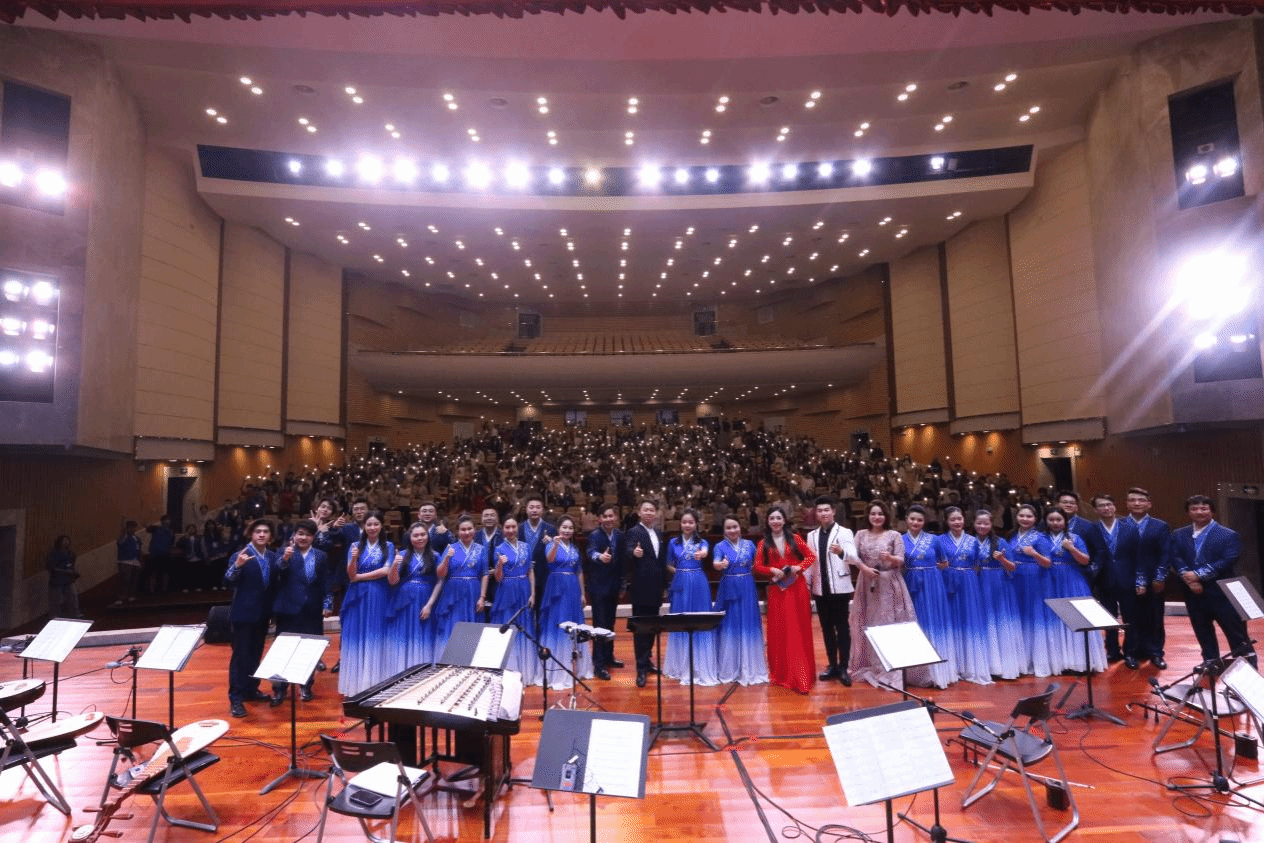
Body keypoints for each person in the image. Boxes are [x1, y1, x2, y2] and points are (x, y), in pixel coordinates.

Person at [1166, 495, 1256, 667]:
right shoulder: (1178, 534)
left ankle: (1247, 667)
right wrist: (1191, 580)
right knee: (1203, 632)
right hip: (1193, 593)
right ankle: (1211, 664)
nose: (1199, 512)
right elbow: (1175, 558)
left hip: (1223, 593)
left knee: (1237, 634)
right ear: (1188, 512)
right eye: (1194, 509)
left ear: (1212, 511)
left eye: (1204, 508)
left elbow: (1228, 559)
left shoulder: (1228, 534)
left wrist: (1198, 575)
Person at [849, 500, 915, 688]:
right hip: (866, 582)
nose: (876, 517)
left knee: (887, 623)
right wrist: (864, 568)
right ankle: (870, 663)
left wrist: (890, 558)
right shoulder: (860, 534)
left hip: (888, 583)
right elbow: (852, 557)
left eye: (880, 514)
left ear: (886, 516)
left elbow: (900, 560)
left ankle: (890, 665)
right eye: (873, 514)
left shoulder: (894, 535)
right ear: (868, 516)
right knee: (866, 621)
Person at [753, 506, 816, 694]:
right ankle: (783, 674)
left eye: (778, 518)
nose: (775, 521)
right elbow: (757, 566)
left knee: (798, 629)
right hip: (777, 591)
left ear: (784, 520)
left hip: (797, 588)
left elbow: (811, 556)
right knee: (781, 630)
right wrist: (771, 570)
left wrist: (799, 567)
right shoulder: (763, 543)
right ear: (767, 521)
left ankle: (802, 676)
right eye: (772, 518)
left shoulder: (795, 538)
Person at [270, 519, 333, 703]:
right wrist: (285, 559)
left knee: (309, 649)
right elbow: (276, 571)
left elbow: (326, 581)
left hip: (312, 609)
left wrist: (328, 603)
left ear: (313, 537)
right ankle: (280, 688)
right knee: (283, 650)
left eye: (308, 534)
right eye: (300, 534)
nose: (303, 538)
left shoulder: (321, 555)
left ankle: (306, 685)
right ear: (294, 535)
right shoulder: (284, 551)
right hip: (288, 609)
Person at [1042, 507, 1106, 674]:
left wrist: (1071, 548)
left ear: (1065, 521)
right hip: (1048, 580)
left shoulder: (1075, 538)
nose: (1055, 523)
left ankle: (1079, 662)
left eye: (1059, 519)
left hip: (1072, 580)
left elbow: (1085, 561)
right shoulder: (1041, 538)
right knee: (1053, 619)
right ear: (1046, 521)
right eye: (1051, 520)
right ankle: (1057, 663)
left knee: (1076, 618)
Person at [224, 519, 277, 718]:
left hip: (263, 614)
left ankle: (251, 689)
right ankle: (236, 698)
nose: (262, 534)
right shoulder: (241, 555)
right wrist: (237, 566)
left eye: (265, 531)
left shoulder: (272, 557)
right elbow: (227, 581)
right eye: (258, 531)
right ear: (251, 534)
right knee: (241, 657)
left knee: (255, 654)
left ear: (270, 536)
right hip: (243, 614)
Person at [338, 511, 394, 697]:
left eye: (376, 524)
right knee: (357, 634)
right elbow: (350, 574)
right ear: (364, 526)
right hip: (357, 595)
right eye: (369, 524)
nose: (372, 528)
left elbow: (387, 570)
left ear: (381, 526)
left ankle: (375, 682)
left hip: (379, 594)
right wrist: (354, 559)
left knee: (375, 634)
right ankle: (355, 684)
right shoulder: (355, 546)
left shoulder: (388, 545)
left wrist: (359, 577)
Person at [935, 507, 991, 685]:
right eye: (952, 519)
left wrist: (968, 578)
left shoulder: (973, 541)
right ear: (946, 522)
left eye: (959, 519)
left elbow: (977, 565)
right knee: (951, 621)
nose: (957, 522)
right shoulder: (939, 540)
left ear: (964, 520)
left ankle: (970, 666)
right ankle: (952, 667)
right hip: (947, 581)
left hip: (969, 582)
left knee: (969, 620)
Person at [901, 505, 956, 688]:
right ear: (906, 520)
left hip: (933, 584)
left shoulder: (934, 539)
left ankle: (938, 673)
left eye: (919, 520)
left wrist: (930, 572)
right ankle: (917, 673)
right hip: (911, 582)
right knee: (916, 622)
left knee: (934, 621)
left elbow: (944, 562)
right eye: (912, 519)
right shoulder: (900, 539)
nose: (915, 522)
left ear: (924, 522)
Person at [806, 496, 858, 686]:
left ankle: (844, 667)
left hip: (840, 587)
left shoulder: (844, 532)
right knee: (826, 628)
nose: (824, 513)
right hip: (821, 588)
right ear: (816, 513)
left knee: (842, 628)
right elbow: (810, 562)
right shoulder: (811, 536)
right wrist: (807, 584)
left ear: (833, 511)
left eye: (827, 510)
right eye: (820, 510)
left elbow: (853, 557)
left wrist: (842, 552)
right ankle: (832, 665)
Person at [663, 510, 719, 685]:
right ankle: (680, 666)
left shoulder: (702, 542)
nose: (687, 525)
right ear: (680, 524)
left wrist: (702, 554)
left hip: (698, 582)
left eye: (691, 522)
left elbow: (705, 552)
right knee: (680, 620)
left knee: (698, 619)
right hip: (680, 582)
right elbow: (667, 564)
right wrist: (680, 571)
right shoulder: (673, 542)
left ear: (696, 524)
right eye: (684, 522)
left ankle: (700, 665)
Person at [712, 515, 768, 685]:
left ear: (740, 527)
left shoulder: (750, 545)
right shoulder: (719, 546)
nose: (732, 530)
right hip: (728, 586)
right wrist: (719, 565)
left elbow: (757, 565)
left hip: (747, 587)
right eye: (728, 528)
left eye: (735, 526)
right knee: (730, 623)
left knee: (748, 622)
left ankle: (750, 667)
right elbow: (715, 563)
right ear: (724, 530)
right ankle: (730, 667)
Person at [538, 516, 592, 689]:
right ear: (558, 528)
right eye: (564, 527)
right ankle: (557, 669)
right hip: (556, 585)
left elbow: (579, 571)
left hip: (573, 588)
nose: (567, 530)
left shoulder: (575, 548)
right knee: (558, 622)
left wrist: (582, 594)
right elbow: (549, 560)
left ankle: (576, 667)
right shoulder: (550, 544)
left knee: (573, 623)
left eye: (570, 528)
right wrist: (555, 544)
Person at [387, 522, 444, 674]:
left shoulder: (435, 556)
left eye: (423, 534)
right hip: (405, 601)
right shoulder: (402, 555)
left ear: (428, 536)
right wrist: (394, 565)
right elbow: (392, 581)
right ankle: (403, 670)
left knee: (424, 635)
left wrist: (429, 605)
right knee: (406, 634)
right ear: (410, 538)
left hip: (426, 599)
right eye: (416, 535)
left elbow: (440, 581)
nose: (420, 538)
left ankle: (424, 672)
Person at [973, 509, 1023, 680]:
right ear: (973, 524)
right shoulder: (970, 542)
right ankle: (984, 665)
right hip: (977, 583)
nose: (982, 526)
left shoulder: (1000, 541)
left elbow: (1013, 567)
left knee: (999, 621)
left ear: (991, 524)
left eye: (986, 523)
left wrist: (1001, 559)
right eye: (979, 523)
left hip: (998, 584)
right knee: (982, 621)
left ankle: (1003, 665)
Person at [1092, 494, 1141, 667]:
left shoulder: (1130, 528)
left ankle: (1131, 653)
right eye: (1101, 505)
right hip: (1104, 579)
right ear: (1095, 509)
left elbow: (1138, 556)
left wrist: (1140, 580)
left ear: (1114, 506)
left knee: (1130, 617)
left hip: (1127, 579)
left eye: (1109, 504)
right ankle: (1112, 650)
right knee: (1108, 617)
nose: (1106, 508)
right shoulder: (1092, 529)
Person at [1008, 503, 1056, 678]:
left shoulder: (1041, 538)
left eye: (1029, 516)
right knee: (1020, 616)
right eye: (1021, 515)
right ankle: (1020, 660)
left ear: (1035, 519)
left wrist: (1034, 554)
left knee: (1034, 616)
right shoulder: (1013, 535)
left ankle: (1037, 660)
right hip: (1016, 578)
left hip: (1035, 578)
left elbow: (1048, 563)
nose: (1025, 519)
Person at [490, 517, 539, 685]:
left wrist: (533, 593)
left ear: (517, 528)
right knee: (508, 625)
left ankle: (526, 670)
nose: (510, 530)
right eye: (507, 527)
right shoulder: (499, 548)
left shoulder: (526, 546)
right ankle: (507, 671)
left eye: (513, 526)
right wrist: (499, 565)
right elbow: (498, 578)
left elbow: (530, 571)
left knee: (524, 626)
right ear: (502, 529)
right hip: (506, 589)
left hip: (524, 589)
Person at [624, 499, 668, 687]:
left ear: (655, 513)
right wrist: (633, 552)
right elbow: (627, 549)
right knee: (641, 628)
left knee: (652, 626)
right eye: (646, 510)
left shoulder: (658, 533)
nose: (649, 513)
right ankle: (640, 668)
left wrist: (664, 585)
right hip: (641, 587)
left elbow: (661, 561)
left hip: (656, 587)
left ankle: (647, 660)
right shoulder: (633, 532)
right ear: (639, 513)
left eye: (652, 510)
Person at [1127, 487, 1171, 669]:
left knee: (1155, 616)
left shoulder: (1160, 525)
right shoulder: (1120, 525)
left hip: (1154, 579)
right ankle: (1131, 653)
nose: (1137, 503)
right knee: (1131, 617)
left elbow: (1165, 553)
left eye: (1141, 500)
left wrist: (1160, 577)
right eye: (1132, 500)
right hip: (1127, 579)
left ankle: (1156, 652)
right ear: (1127, 503)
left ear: (1149, 504)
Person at [432, 515, 488, 657]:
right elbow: (440, 573)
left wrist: (482, 597)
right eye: (463, 529)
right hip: (453, 592)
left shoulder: (481, 549)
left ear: (475, 530)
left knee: (472, 626)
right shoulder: (450, 548)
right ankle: (450, 659)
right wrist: (446, 558)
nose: (466, 532)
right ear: (457, 532)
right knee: (453, 624)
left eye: (469, 529)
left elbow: (485, 574)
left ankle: (470, 660)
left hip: (473, 592)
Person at [585, 505, 624, 679]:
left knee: (610, 623)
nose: (608, 519)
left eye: (611, 516)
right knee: (599, 626)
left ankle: (609, 656)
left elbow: (622, 561)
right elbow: (590, 552)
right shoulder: (594, 535)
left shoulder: (620, 535)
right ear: (599, 519)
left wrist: (622, 585)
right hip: (598, 587)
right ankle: (598, 664)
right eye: (605, 516)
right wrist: (600, 557)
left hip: (614, 586)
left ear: (615, 518)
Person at [521, 495, 557, 614]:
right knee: (524, 610)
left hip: (544, 575)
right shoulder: (519, 528)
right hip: (523, 575)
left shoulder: (551, 529)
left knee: (543, 610)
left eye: (537, 507)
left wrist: (552, 543)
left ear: (542, 510)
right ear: (526, 509)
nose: (534, 510)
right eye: (531, 507)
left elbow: (556, 554)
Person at [474, 506, 502, 622]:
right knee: (479, 610)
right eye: (486, 515)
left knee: (496, 611)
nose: (489, 518)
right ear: (481, 519)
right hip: (479, 580)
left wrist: (496, 570)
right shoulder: (475, 535)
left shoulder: (503, 535)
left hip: (499, 580)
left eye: (492, 515)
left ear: (497, 518)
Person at [46, 535, 81, 620]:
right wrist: (65, 571)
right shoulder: (54, 554)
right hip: (56, 581)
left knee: (72, 598)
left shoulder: (71, 554)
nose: (66, 542)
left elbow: (72, 565)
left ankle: (74, 615)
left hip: (68, 580)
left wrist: (73, 573)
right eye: (64, 541)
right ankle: (54, 617)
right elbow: (51, 568)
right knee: (56, 601)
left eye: (67, 540)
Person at [114, 519, 142, 606]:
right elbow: (122, 534)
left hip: (135, 561)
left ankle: (131, 596)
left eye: (134, 527)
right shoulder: (123, 537)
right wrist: (123, 523)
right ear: (127, 528)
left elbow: (139, 550)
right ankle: (121, 597)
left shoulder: (137, 538)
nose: (132, 529)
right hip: (125, 562)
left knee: (134, 580)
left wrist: (140, 561)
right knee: (124, 580)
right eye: (130, 527)